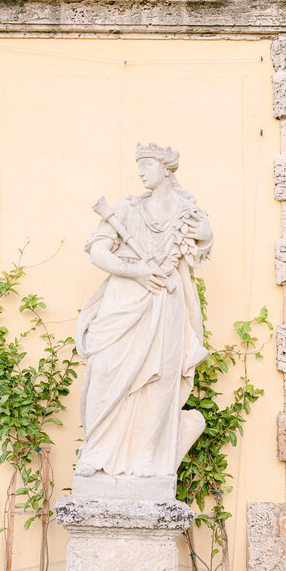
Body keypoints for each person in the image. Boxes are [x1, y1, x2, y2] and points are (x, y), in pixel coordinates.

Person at [75, 143, 213, 481]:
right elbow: (98, 252)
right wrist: (134, 270)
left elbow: (201, 247)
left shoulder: (187, 211)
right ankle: (96, 452)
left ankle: (149, 457)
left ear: (166, 168)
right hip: (124, 299)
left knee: (161, 379)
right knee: (105, 370)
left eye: (147, 164)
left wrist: (206, 235)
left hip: (167, 301)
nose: (140, 171)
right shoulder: (125, 210)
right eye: (138, 165)